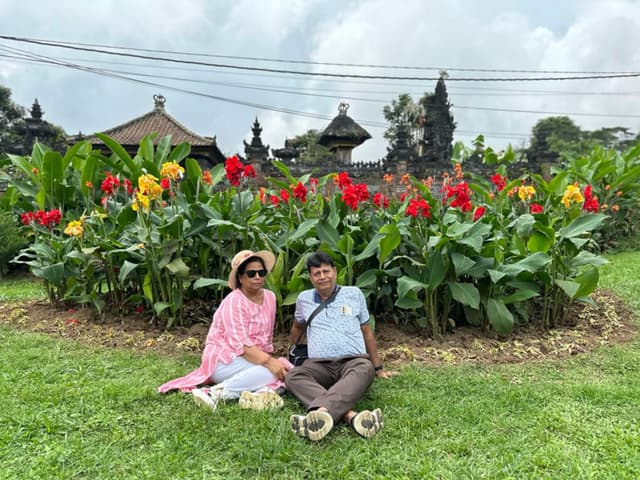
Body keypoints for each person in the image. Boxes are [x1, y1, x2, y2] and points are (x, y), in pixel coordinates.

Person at [157, 249, 292, 411]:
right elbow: (242, 347)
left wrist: (269, 360)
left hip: (254, 357)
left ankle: (259, 394)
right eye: (251, 273)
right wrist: (269, 361)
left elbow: (266, 335)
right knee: (272, 371)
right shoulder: (234, 301)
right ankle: (214, 393)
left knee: (282, 370)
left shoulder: (270, 297)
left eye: (261, 272)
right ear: (240, 277)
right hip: (226, 358)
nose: (257, 277)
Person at [285, 251, 393, 441]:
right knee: (293, 375)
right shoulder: (304, 299)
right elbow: (297, 326)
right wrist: (292, 353)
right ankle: (351, 416)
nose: (322, 277)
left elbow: (367, 332)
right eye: (316, 273)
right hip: (319, 365)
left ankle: (322, 412)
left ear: (335, 272)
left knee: (364, 369)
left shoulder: (353, 293)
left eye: (326, 271)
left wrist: (378, 368)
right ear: (310, 277)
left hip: (352, 362)